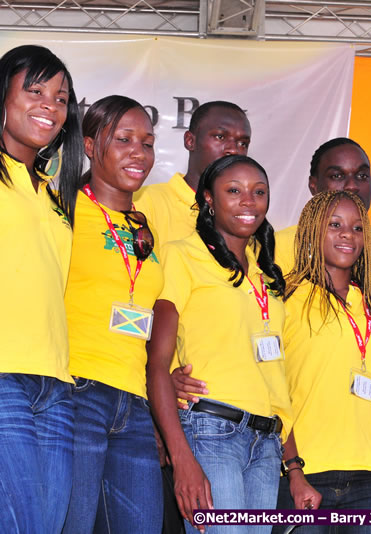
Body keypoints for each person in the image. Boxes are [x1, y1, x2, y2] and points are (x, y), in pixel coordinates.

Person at [146, 155, 320, 533]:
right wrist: (182, 459)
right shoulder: (182, 255)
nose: (248, 201)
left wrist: (294, 468)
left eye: (259, 192)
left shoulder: (269, 274)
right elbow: (157, 361)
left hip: (267, 443)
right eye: (234, 191)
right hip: (211, 432)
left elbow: (276, 381)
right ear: (208, 198)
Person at [273, 190, 371, 532]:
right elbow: (272, 392)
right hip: (305, 471)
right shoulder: (284, 299)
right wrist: (294, 470)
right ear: (310, 232)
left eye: (358, 228)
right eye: (335, 225)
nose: (348, 234)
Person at [61, 95, 163, 533]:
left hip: (135, 404)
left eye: (147, 142)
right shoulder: (63, 210)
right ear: (89, 144)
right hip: (76, 391)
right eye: (123, 140)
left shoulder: (144, 228)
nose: (138, 153)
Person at [0, 44, 83, 533]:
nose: (49, 106)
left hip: (56, 387)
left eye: (60, 96)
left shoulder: (55, 194)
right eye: (34, 91)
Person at [135, 100, 251, 248]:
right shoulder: (144, 202)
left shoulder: (246, 212)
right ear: (190, 141)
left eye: (243, 143)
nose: (234, 150)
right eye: (220, 137)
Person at [273, 137, 371, 272]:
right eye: (337, 176)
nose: (352, 186)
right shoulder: (277, 247)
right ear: (313, 186)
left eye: (362, 176)